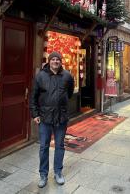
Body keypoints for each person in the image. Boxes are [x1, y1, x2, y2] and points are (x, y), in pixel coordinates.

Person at [30, 51, 74, 188]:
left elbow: (70, 92)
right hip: (45, 117)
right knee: (44, 147)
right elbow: (33, 97)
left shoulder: (67, 76)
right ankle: (43, 174)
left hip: (61, 117)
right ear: (49, 61)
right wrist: (35, 114)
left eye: (58, 59)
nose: (55, 61)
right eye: (53, 59)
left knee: (60, 145)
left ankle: (58, 172)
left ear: (61, 61)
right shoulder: (40, 76)